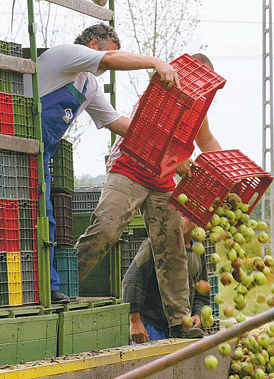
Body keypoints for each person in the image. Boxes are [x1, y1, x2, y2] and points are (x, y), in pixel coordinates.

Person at [76, 53, 221, 337]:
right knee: (105, 228)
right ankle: (64, 287)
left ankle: (179, 321)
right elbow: (145, 131)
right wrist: (174, 157)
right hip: (130, 167)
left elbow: (207, 141)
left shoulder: (199, 107)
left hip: (162, 179)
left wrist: (221, 171)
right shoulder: (164, 89)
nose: (197, 88)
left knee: (172, 245)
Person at [38, 23, 180, 303]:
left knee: (47, 218)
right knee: (38, 217)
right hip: (22, 142)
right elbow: (111, 60)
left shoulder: (88, 84)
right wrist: (155, 62)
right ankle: (43, 287)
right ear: (92, 45)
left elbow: (117, 122)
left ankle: (51, 286)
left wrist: (167, 145)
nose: (109, 65)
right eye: (109, 55)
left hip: (45, 151)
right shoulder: (67, 55)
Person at [123, 221, 210, 343]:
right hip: (153, 327)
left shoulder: (197, 252)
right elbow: (132, 280)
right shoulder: (157, 243)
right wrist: (134, 321)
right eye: (181, 216)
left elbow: (201, 294)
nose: (183, 220)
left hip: (183, 329)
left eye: (190, 218)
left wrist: (197, 314)